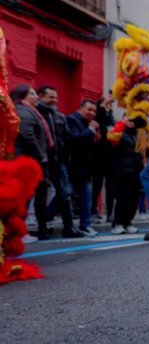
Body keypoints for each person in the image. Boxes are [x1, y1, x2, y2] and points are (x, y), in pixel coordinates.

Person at [36, 86, 82, 238]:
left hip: (60, 162)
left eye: (55, 97)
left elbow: (68, 139)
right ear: (40, 96)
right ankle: (42, 229)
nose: (54, 100)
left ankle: (69, 228)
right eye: (50, 97)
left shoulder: (60, 117)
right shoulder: (36, 114)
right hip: (42, 162)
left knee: (65, 194)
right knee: (40, 195)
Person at [11, 84, 53, 241]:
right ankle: (19, 233)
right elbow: (28, 135)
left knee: (30, 198)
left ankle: (22, 232)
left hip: (31, 161)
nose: (36, 97)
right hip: (27, 162)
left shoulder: (32, 111)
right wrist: (41, 155)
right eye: (33, 94)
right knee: (23, 199)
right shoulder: (23, 111)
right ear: (23, 96)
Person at [66, 100, 100, 237]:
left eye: (94, 111)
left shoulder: (89, 124)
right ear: (81, 108)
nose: (92, 113)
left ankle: (48, 217)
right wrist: (91, 130)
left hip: (86, 166)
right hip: (73, 164)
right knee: (71, 194)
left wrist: (96, 137)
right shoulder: (72, 119)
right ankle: (85, 224)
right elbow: (75, 140)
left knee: (67, 194)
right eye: (89, 109)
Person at [107, 118, 141, 234]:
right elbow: (112, 138)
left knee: (133, 199)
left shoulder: (138, 134)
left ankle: (127, 222)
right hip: (122, 171)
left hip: (135, 172)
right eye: (129, 120)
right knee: (122, 198)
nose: (131, 122)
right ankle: (117, 223)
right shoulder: (120, 133)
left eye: (133, 120)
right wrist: (121, 123)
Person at [91, 94, 115, 222]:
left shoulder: (111, 118)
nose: (108, 105)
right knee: (97, 185)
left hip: (111, 157)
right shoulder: (98, 117)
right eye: (105, 103)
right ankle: (93, 210)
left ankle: (110, 212)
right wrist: (103, 106)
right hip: (99, 156)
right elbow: (100, 116)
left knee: (111, 186)